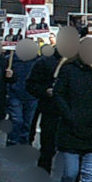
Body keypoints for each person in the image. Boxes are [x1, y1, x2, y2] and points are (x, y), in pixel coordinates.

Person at [53, 39, 92, 182]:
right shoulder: (68, 70)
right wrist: (69, 115)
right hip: (71, 129)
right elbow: (59, 94)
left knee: (88, 172)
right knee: (71, 172)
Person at [27, 41, 62, 171]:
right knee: (48, 147)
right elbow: (31, 85)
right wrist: (44, 91)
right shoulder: (45, 62)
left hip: (71, 113)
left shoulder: (77, 63)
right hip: (50, 111)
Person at [6, 44, 40, 146]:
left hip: (31, 95)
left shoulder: (37, 60)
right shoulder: (10, 60)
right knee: (17, 120)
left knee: (27, 122)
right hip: (15, 94)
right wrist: (8, 76)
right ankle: (12, 141)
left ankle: (23, 141)